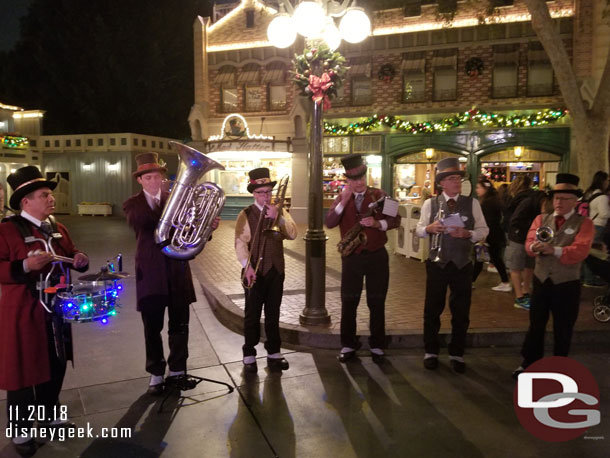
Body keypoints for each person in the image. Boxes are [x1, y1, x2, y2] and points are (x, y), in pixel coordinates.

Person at [0, 166, 89, 456]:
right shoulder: (7, 230)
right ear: (26, 202)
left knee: (56, 363)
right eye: (44, 195)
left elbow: (72, 253)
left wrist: (80, 259)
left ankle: (50, 415)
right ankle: (20, 430)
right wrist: (25, 266)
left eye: (49, 194)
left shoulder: (57, 227)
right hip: (24, 311)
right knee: (24, 370)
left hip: (57, 308)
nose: (51, 199)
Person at [123, 152, 219, 396]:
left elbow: (191, 232)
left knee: (180, 325)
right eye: (149, 177)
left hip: (177, 272)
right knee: (152, 327)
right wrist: (176, 207)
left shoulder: (177, 199)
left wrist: (206, 226)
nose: (154, 181)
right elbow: (144, 223)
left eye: (157, 176)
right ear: (140, 180)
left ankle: (177, 369)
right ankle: (156, 372)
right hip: (151, 273)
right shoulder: (132, 204)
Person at [513, 173, 594, 378]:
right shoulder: (542, 219)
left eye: (565, 199)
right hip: (541, 280)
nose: (559, 202)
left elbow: (580, 250)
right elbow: (528, 244)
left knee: (563, 327)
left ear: (575, 201)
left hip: (566, 283)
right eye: (556, 198)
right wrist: (534, 246)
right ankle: (529, 363)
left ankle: (560, 367)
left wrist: (554, 250)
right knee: (536, 324)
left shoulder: (584, 224)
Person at [325, 154, 401, 364]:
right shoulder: (341, 199)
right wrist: (344, 199)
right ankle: (348, 345)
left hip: (377, 255)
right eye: (353, 179)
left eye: (361, 178)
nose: (358, 183)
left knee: (377, 301)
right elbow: (330, 222)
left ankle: (377, 345)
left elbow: (396, 219)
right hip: (352, 258)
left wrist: (378, 224)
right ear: (347, 180)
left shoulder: (380, 194)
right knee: (349, 302)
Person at [416, 157, 489, 373]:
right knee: (432, 309)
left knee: (461, 311)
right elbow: (419, 229)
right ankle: (431, 351)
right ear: (442, 183)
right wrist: (429, 228)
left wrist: (468, 233)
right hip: (436, 263)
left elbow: (484, 230)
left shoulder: (472, 203)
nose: (457, 182)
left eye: (458, 178)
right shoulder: (430, 203)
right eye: (452, 179)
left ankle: (457, 353)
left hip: (462, 263)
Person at [235, 167, 297, 373]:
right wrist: (247, 266)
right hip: (254, 271)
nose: (266, 196)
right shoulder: (245, 214)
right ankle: (249, 352)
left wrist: (277, 217)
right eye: (261, 192)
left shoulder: (280, 211)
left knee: (273, 312)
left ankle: (274, 351)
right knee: (252, 313)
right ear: (254, 193)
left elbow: (293, 234)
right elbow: (240, 243)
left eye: (269, 192)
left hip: (276, 270)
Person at [505, 176, 540, 310]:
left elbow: (511, 220)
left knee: (516, 267)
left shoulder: (516, 199)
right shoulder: (533, 198)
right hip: (529, 236)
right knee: (528, 265)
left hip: (517, 236)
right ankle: (524, 293)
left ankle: (520, 296)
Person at [472, 178, 511, 291]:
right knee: (494, 258)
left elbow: (488, 221)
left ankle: (471, 281)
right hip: (495, 235)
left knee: (480, 259)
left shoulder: (487, 202)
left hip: (490, 235)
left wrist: (483, 237)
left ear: (485, 188)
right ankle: (505, 282)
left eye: (478, 187)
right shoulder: (494, 199)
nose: (476, 190)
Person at [581, 170, 609, 287]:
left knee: (588, 251)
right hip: (598, 225)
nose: (608, 183)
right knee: (592, 253)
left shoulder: (590, 193)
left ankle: (585, 277)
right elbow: (604, 214)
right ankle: (589, 279)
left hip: (590, 224)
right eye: (607, 180)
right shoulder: (602, 197)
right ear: (602, 181)